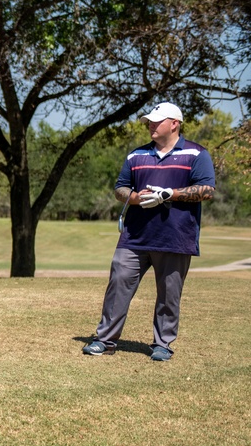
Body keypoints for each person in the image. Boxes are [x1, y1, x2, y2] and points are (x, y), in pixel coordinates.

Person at [84, 102, 215, 361]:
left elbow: (207, 190)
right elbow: (120, 188)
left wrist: (171, 194)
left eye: (156, 121)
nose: (151, 125)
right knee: (118, 285)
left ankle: (162, 344)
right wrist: (134, 197)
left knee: (169, 294)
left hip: (176, 237)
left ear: (174, 123)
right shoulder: (136, 156)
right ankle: (105, 340)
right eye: (149, 122)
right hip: (134, 236)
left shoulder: (197, 154)